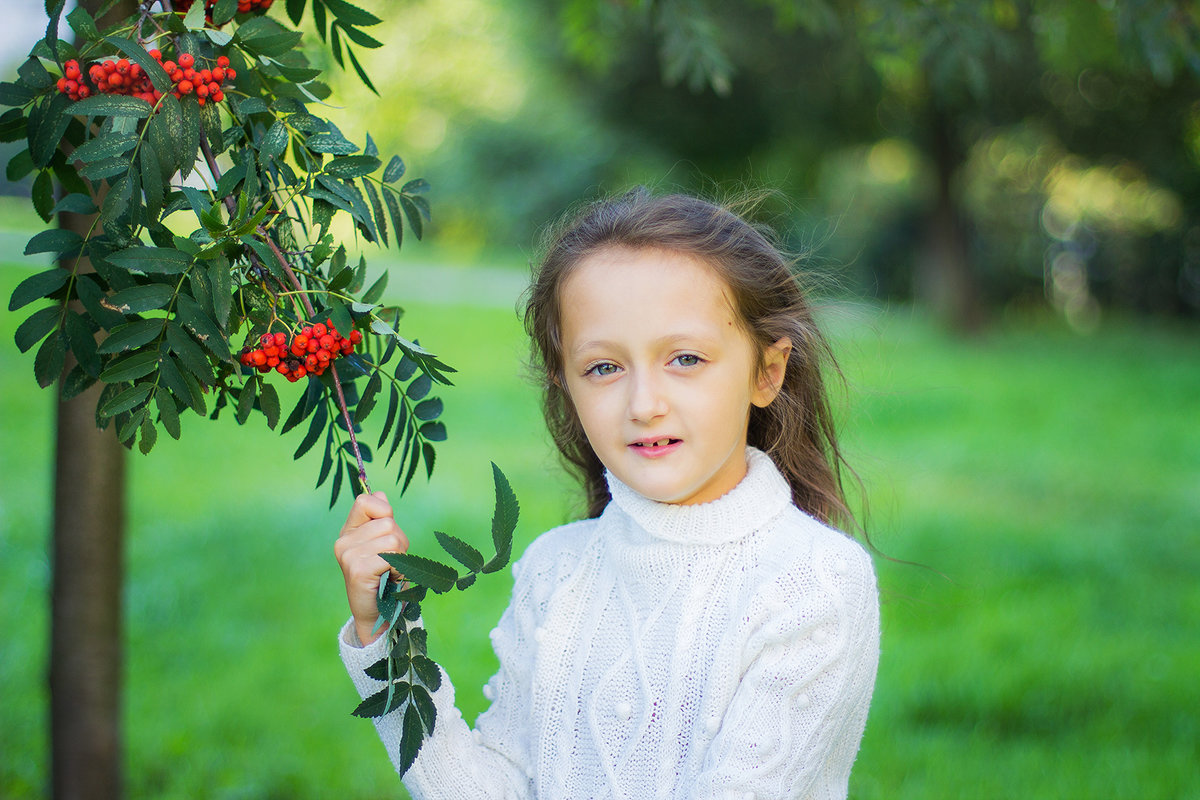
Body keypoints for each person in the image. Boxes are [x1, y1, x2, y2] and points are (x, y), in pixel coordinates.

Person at [334, 190, 880, 799]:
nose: (644, 404)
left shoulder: (812, 585)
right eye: (603, 368)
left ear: (766, 373)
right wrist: (387, 637)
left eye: (686, 358)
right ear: (566, 385)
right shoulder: (556, 570)